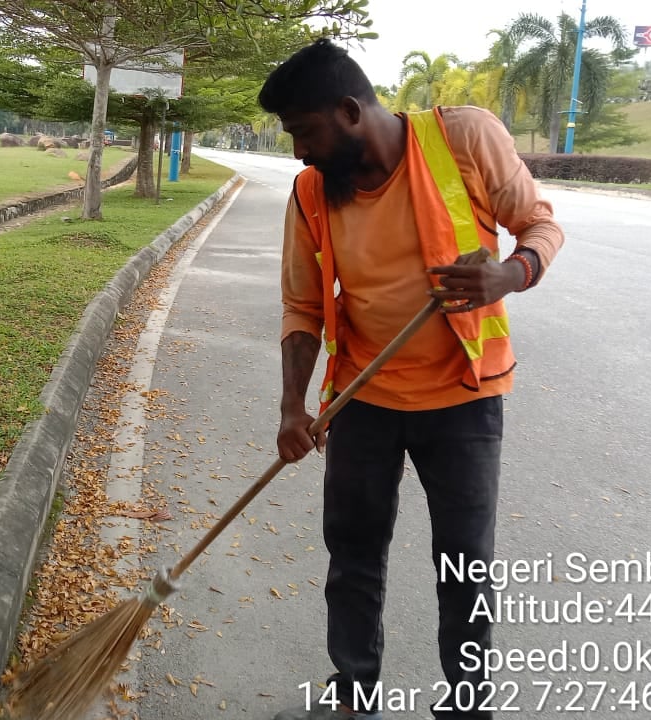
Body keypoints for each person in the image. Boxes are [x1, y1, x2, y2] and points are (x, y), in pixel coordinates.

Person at [258, 39, 564, 720]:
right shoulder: (312, 191)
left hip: (463, 400)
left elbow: (540, 227)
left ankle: (467, 705)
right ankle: (354, 693)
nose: (299, 153)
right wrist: (291, 407)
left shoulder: (464, 139)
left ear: (348, 112)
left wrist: (506, 276)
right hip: (361, 401)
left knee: (465, 567)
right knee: (354, 557)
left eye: (305, 132)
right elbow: (303, 303)